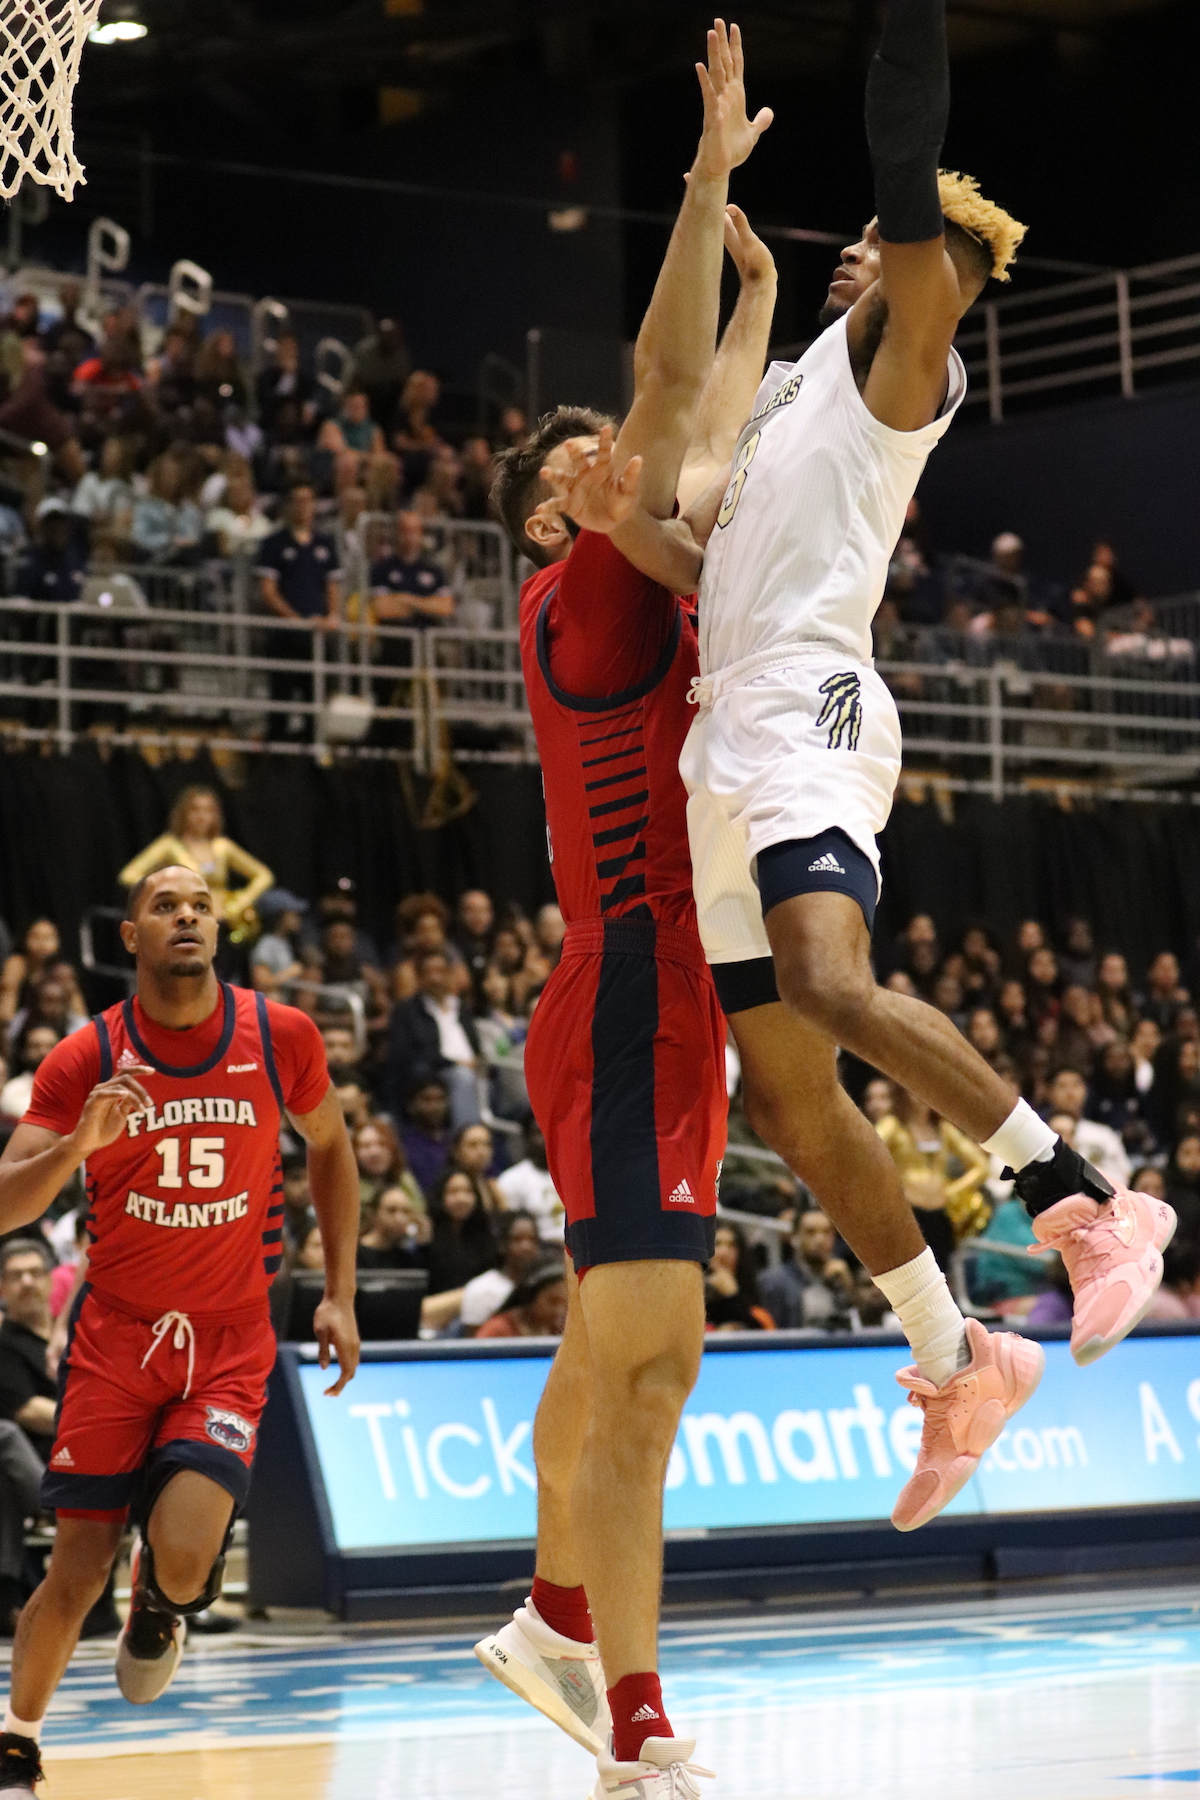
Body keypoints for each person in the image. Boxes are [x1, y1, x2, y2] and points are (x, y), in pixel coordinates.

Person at [553, 0, 1171, 1468]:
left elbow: (906, 159)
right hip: (727, 722)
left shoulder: (908, 375)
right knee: (782, 1090)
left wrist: (904, 32)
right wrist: (615, 520)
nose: (860, 249)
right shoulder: (782, 401)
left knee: (830, 983)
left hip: (814, 704)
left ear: (931, 284)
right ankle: (957, 1358)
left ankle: (1086, 1200)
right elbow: (686, 536)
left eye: (892, 249)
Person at [476, 32, 772, 1796]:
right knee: (655, 1359)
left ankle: (549, 1619)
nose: (630, 458)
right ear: (550, 505)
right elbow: (667, 395)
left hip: (663, 995)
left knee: (628, 1349)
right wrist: (705, 177)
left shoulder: (632, 556)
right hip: (626, 990)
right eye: (595, 455)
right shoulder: (580, 596)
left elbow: (705, 418)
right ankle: (635, 1725)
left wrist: (751, 306)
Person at [0, 865, 360, 1795]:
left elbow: (331, 1145)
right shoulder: (85, 1057)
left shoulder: (280, 1035)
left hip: (231, 1340)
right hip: (117, 1339)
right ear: (131, 937)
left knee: (192, 1551)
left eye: (200, 903)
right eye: (165, 905)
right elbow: (5, 1206)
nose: (187, 916)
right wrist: (78, 1144)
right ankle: (17, 1743)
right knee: (75, 1567)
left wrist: (340, 1294)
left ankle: (162, 1599)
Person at [118, 786, 274, 943]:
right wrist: (166, 894)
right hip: (184, 923)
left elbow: (263, 875)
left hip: (222, 924)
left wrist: (240, 901)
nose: (202, 817)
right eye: (195, 810)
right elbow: (129, 875)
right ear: (184, 813)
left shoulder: (222, 847)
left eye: (208, 810)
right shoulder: (170, 845)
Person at [0, 1243, 59, 1634]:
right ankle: (55, 1504)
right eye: (15, 1276)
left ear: (51, 1280)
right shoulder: (4, 1343)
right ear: (1, 1288)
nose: (26, 1283)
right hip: (41, 1465)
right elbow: (29, 1412)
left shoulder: (76, 1334)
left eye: (35, 1273)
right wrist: (99, 1420)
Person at [256, 482, 342, 740]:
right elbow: (268, 590)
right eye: (297, 500)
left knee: (315, 705)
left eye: (308, 500)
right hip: (286, 637)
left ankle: (313, 764)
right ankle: (276, 763)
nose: (303, 507)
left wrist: (332, 616)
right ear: (288, 505)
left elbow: (332, 586)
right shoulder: (273, 543)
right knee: (281, 702)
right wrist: (296, 620)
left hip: (318, 638)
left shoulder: (325, 544)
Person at [385, 949, 482, 1128]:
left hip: (472, 1070)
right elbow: (406, 1053)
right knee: (463, 1077)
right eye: (429, 972)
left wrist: (477, 1061)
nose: (435, 978)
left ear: (450, 974)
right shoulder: (407, 1011)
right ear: (419, 977)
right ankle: (467, 1135)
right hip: (434, 1072)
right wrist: (456, 1063)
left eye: (440, 971)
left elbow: (476, 1047)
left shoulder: (461, 1008)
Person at [758, 1210, 857, 1329]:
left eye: (827, 1232)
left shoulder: (841, 1276)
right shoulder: (773, 1282)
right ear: (794, 1237)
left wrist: (849, 1287)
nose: (820, 1240)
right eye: (810, 1232)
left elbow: (862, 1325)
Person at [459, 1212, 544, 1334]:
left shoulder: (546, 1289)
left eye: (532, 1239)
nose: (526, 1246)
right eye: (517, 1239)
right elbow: (473, 1346)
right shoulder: (480, 1289)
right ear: (503, 1245)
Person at [495, 1118, 564, 1243]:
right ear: (527, 1138)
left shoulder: (575, 1173)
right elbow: (512, 1231)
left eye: (550, 1132)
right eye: (539, 1132)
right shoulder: (511, 1180)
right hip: (539, 1249)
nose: (545, 1138)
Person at [704, 1219, 773, 1329]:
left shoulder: (754, 1294)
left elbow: (760, 1334)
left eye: (731, 1245)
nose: (724, 1252)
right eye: (717, 1244)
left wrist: (732, 1294)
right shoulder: (692, 1293)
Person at [476, 1262, 569, 1339]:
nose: (560, 1310)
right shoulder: (497, 1331)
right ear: (529, 1297)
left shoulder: (563, 1331)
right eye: (552, 1301)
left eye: (565, 1304)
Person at [398, 1078, 453, 1197]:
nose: (434, 1106)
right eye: (427, 1100)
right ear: (411, 1106)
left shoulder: (455, 1142)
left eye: (440, 1099)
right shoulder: (403, 1147)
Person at [356, 1186, 428, 1270]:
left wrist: (424, 1244)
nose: (399, 1218)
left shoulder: (408, 1256)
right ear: (374, 1214)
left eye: (406, 1211)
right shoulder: (356, 1254)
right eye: (391, 1210)